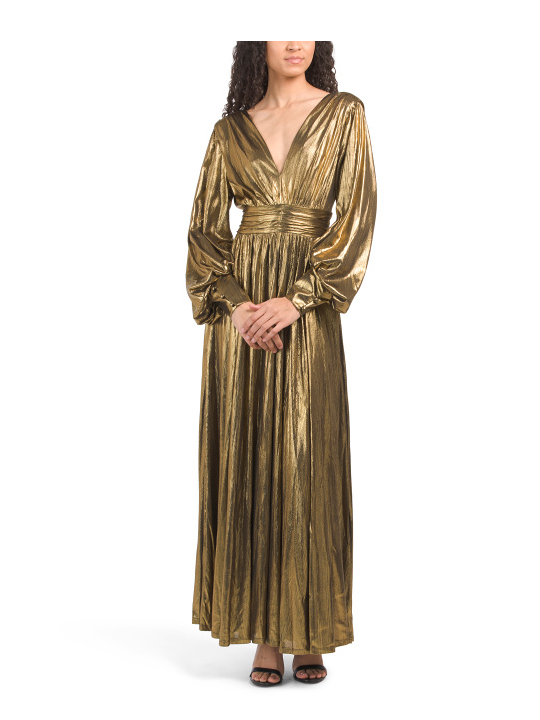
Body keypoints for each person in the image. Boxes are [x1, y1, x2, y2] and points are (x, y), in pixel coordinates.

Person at [185, 41, 377, 686]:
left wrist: (296, 300)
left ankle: (308, 627)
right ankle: (264, 634)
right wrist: (236, 306)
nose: (294, 39)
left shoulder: (345, 113)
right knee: (248, 456)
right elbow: (205, 232)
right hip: (241, 317)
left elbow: (355, 217)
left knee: (305, 456)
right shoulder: (229, 131)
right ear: (254, 43)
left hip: (306, 308)